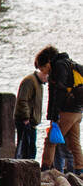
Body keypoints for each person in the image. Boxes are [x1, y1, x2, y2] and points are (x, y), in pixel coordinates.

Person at [35, 45, 83, 174]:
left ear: (48, 62)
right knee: (74, 142)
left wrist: (54, 115)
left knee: (50, 140)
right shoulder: (70, 63)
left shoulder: (58, 67)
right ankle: (80, 170)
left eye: (43, 68)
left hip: (66, 111)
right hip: (78, 110)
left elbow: (59, 92)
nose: (43, 72)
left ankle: (45, 170)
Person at [14, 68, 43, 160]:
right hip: (25, 120)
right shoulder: (30, 81)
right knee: (24, 148)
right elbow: (23, 100)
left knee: (31, 148)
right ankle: (22, 167)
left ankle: (27, 167)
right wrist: (26, 118)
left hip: (32, 121)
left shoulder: (39, 84)